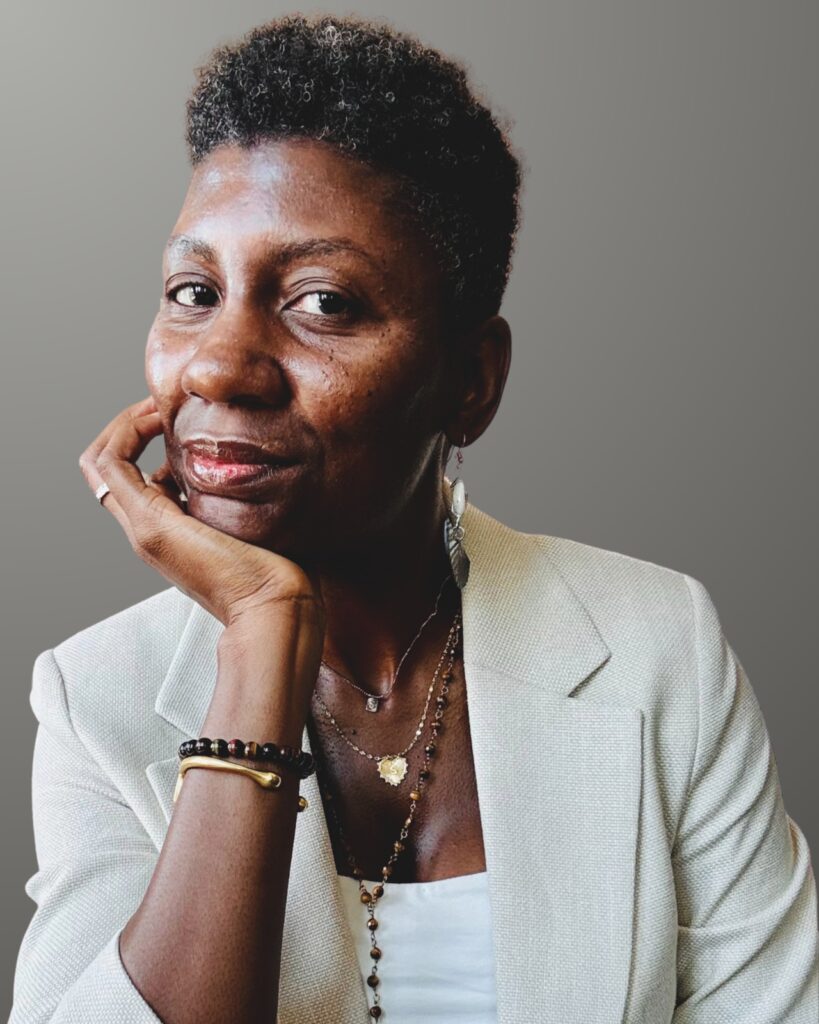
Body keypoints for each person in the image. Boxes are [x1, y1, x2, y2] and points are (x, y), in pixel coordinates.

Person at [9, 12, 818, 1024]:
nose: (218, 364)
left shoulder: (658, 651)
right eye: (193, 290)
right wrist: (261, 637)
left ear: (470, 381)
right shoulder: (97, 698)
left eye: (323, 303)